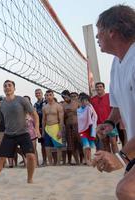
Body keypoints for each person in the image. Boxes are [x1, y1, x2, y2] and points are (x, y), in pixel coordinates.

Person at [92, 5, 135, 200]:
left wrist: (120, 156)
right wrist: (110, 122)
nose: (96, 37)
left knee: (126, 190)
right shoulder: (117, 63)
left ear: (112, 31)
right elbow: (117, 104)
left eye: (98, 30)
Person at [0, 80, 39, 189]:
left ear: (14, 88)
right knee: (0, 159)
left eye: (9, 85)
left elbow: (34, 114)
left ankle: (30, 179)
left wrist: (37, 129)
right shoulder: (1, 104)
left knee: (31, 156)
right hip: (9, 134)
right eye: (5, 86)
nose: (7, 87)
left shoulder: (22, 100)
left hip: (23, 133)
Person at [91, 82, 119, 153]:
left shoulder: (109, 96)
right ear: (95, 89)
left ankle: (117, 159)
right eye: (97, 87)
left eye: (100, 86)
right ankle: (109, 160)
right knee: (105, 144)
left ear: (104, 88)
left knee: (113, 143)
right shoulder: (93, 99)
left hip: (110, 123)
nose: (99, 88)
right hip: (100, 124)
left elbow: (116, 109)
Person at [42, 90, 64, 165]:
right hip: (47, 128)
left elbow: (61, 119)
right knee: (47, 147)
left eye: (50, 95)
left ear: (53, 95)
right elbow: (43, 119)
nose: (48, 96)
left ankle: (58, 163)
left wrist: (60, 131)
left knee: (58, 147)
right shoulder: (44, 107)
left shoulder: (58, 106)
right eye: (47, 95)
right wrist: (42, 131)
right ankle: (50, 163)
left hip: (56, 126)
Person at [77, 93, 98, 166]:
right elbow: (81, 119)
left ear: (88, 101)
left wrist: (89, 106)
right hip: (82, 130)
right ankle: (86, 159)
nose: (84, 102)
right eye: (82, 101)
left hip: (90, 129)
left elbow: (95, 116)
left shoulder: (90, 108)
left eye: (85, 101)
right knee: (86, 145)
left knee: (91, 146)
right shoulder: (79, 110)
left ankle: (89, 159)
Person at [61, 90, 80, 165]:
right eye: (63, 97)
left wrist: (74, 111)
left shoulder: (77, 103)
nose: (65, 98)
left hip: (77, 124)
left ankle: (82, 160)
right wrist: (66, 113)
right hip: (68, 125)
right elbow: (62, 117)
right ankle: (77, 161)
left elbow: (83, 113)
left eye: (66, 96)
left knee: (79, 143)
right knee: (71, 144)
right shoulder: (63, 105)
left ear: (69, 96)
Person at [34, 89, 47, 166]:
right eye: (36, 93)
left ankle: (53, 160)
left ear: (42, 94)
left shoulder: (46, 102)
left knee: (49, 144)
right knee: (43, 144)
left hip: (47, 125)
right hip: (39, 126)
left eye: (39, 93)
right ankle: (44, 160)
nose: (38, 94)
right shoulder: (35, 104)